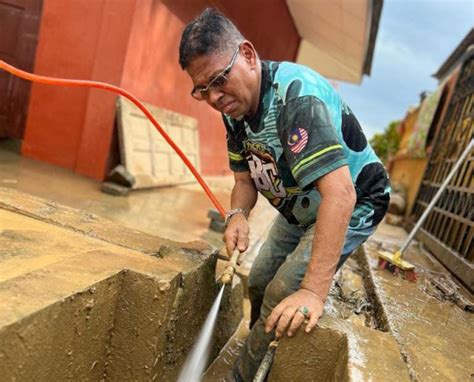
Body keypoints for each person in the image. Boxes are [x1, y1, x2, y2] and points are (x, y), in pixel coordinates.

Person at [179, 8, 390, 381]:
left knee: (284, 289)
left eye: (219, 80)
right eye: (202, 90)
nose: (213, 97)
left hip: (355, 199)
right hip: (301, 205)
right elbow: (245, 181)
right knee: (259, 280)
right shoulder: (233, 108)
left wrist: (312, 292)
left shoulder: (297, 99)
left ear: (247, 54)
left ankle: (244, 375)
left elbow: (341, 194)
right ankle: (265, 340)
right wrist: (238, 215)